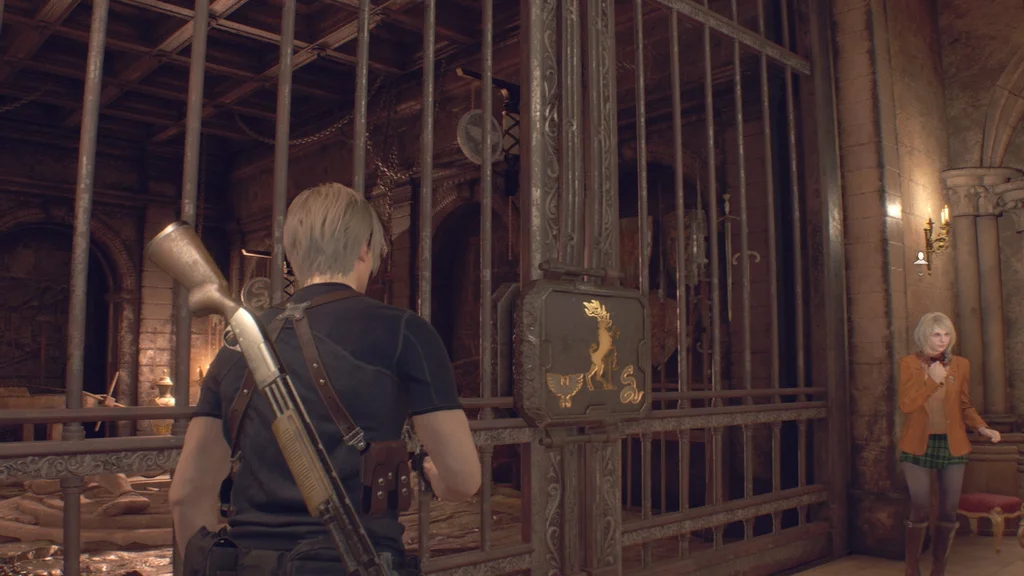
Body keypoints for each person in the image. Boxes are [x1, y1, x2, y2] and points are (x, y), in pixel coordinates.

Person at [169, 183, 481, 575]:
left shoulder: (235, 347)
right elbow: (463, 479)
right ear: (365, 248)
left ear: (292, 252)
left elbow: (186, 495)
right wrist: (435, 476)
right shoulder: (405, 331)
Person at [898, 312, 1001, 576]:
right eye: (936, 334)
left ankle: (938, 570)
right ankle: (912, 568)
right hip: (917, 444)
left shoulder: (961, 365)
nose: (943, 339)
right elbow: (906, 405)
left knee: (948, 510)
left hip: (953, 443)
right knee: (920, 504)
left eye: (946, 334)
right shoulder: (909, 364)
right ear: (924, 336)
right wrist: (932, 380)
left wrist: (981, 427)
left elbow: (964, 404)